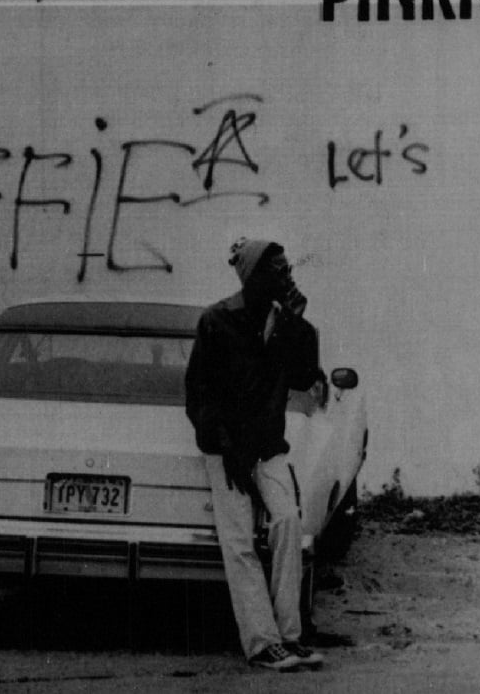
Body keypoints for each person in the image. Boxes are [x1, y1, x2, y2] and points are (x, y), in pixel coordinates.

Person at [184, 237, 326, 671]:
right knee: (239, 542)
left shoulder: (284, 323)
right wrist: (226, 450)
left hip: (267, 446)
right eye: (278, 270)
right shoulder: (217, 320)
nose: (288, 276)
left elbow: (303, 377)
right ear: (253, 276)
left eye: (288, 269)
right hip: (226, 448)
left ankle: (289, 635)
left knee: (287, 523)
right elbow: (199, 395)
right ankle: (262, 643)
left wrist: (297, 325)